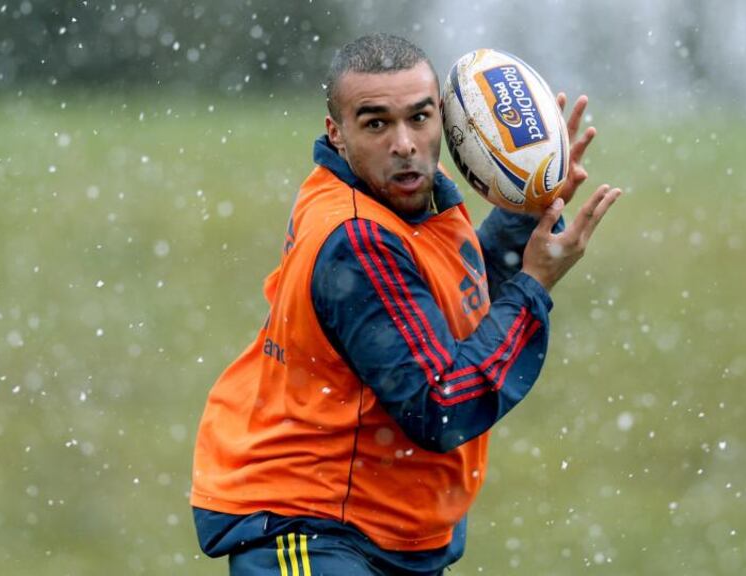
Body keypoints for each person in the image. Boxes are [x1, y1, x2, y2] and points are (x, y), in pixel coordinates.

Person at [191, 33, 620, 575]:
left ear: (446, 119)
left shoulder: (417, 195)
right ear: (337, 133)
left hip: (383, 530)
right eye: (376, 123)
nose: (404, 143)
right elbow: (443, 402)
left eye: (419, 118)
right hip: (313, 527)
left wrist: (525, 207)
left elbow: (441, 306)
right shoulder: (356, 236)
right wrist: (533, 286)